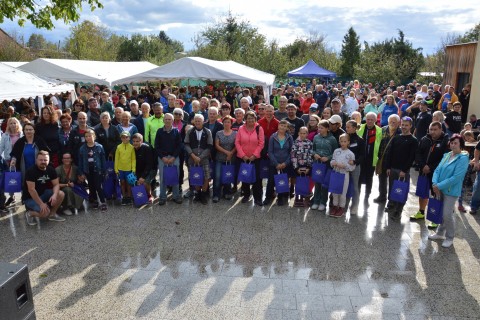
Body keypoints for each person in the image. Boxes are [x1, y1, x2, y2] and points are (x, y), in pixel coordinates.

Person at [428, 134, 469, 248]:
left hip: (451, 191)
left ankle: (450, 237)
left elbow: (456, 177)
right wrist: (435, 183)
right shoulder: (447, 155)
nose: (453, 145)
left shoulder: (463, 158)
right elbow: (437, 170)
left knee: (447, 214)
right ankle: (440, 233)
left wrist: (439, 186)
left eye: (456, 143)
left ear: (461, 144)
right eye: (451, 142)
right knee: (441, 212)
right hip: (439, 188)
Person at [411, 121, 450, 222]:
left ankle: (435, 217)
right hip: (423, 171)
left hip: (437, 174)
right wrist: (423, 165)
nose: (432, 132)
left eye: (435, 130)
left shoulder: (446, 141)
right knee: (422, 193)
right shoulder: (425, 139)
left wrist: (431, 167)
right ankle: (421, 212)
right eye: (431, 129)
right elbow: (418, 153)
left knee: (436, 195)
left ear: (441, 130)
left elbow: (445, 158)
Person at [385, 117, 418, 220]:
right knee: (392, 187)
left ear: (410, 126)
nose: (404, 127)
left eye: (406, 125)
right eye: (402, 124)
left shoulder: (413, 140)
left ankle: (398, 211)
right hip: (393, 168)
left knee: (401, 191)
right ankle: (391, 204)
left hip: (403, 171)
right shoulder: (396, 137)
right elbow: (390, 153)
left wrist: (404, 170)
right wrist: (388, 167)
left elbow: (411, 157)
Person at [23, 151, 66, 226]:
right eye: (41, 160)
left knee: (60, 194)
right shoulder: (31, 171)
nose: (43, 162)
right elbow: (31, 190)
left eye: (45, 160)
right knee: (45, 213)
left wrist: (55, 195)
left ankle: (52, 215)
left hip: (43, 193)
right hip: (30, 198)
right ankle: (30, 213)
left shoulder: (51, 169)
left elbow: (56, 184)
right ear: (36, 160)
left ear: (48, 160)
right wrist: (41, 204)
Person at [235, 111, 265, 206]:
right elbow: (237, 142)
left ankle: (257, 198)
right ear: (245, 119)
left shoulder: (259, 128)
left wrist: (254, 155)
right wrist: (243, 155)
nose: (250, 120)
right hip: (242, 158)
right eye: (248, 118)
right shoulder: (241, 128)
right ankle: (246, 195)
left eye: (252, 118)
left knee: (256, 179)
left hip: (255, 158)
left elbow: (261, 143)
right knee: (245, 177)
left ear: (255, 119)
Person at [184, 114, 213, 205]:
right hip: (192, 159)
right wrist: (192, 155)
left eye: (199, 121)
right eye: (196, 121)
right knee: (195, 176)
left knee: (205, 177)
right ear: (193, 121)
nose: (197, 122)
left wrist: (200, 157)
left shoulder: (207, 131)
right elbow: (186, 144)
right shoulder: (189, 131)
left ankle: (203, 194)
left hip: (204, 159)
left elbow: (209, 146)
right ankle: (198, 194)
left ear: (203, 122)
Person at [154, 113, 183, 205]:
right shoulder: (159, 131)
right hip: (162, 158)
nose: (167, 121)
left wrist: (174, 157)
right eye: (166, 119)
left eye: (169, 119)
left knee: (175, 177)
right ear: (163, 120)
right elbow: (156, 146)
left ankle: (176, 196)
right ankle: (162, 197)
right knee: (162, 178)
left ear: (172, 120)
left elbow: (179, 146)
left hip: (174, 158)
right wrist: (162, 158)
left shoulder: (176, 131)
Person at [311, 120, 338, 211]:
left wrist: (328, 157)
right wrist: (314, 154)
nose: (319, 129)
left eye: (322, 128)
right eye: (319, 127)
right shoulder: (316, 137)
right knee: (317, 183)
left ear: (327, 128)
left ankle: (323, 202)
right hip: (317, 163)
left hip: (327, 164)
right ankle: (316, 201)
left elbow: (336, 152)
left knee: (324, 184)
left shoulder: (332, 139)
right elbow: (313, 149)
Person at [265, 120, 294, 206]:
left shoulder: (289, 137)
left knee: (283, 181)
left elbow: (291, 152)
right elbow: (270, 152)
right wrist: (276, 163)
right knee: (270, 181)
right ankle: (268, 197)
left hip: (285, 163)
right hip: (274, 164)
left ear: (287, 128)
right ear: (278, 126)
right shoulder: (273, 137)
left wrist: (285, 163)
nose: (282, 127)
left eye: (285, 126)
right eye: (281, 125)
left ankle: (281, 197)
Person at [374, 114, 401, 203]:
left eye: (394, 122)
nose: (392, 123)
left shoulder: (400, 132)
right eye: (390, 122)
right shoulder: (383, 129)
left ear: (398, 123)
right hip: (382, 159)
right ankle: (382, 196)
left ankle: (391, 201)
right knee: (382, 179)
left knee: (393, 181)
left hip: (394, 161)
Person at [78, 129, 107, 211]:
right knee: (91, 186)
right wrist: (81, 172)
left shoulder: (99, 147)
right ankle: (95, 201)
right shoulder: (82, 148)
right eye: (86, 136)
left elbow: (102, 159)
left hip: (97, 169)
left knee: (98, 186)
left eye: (90, 136)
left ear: (94, 136)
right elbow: (80, 161)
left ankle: (102, 201)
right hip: (88, 170)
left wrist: (104, 170)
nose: (88, 138)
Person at [329, 133, 356, 217]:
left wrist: (345, 166)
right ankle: (334, 206)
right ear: (339, 142)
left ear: (348, 142)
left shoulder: (350, 154)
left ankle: (341, 208)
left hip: (344, 175)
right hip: (336, 173)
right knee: (334, 191)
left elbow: (352, 167)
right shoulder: (336, 151)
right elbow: (332, 160)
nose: (343, 143)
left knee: (343, 192)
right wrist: (333, 163)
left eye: (345, 141)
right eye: (341, 141)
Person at [358, 112, 382, 200]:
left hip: (372, 158)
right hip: (361, 158)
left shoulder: (379, 130)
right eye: (368, 119)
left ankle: (367, 196)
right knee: (359, 178)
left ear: (375, 120)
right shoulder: (360, 128)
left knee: (369, 178)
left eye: (372, 120)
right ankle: (357, 196)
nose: (370, 121)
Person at [213, 115, 237, 202]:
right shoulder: (219, 133)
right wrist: (227, 152)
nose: (227, 123)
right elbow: (216, 145)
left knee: (228, 175)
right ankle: (216, 194)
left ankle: (227, 193)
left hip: (231, 158)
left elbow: (236, 145)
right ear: (222, 123)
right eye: (225, 122)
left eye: (228, 122)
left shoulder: (235, 133)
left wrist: (231, 153)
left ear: (231, 123)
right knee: (218, 176)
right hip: (220, 158)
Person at [0, 117, 23, 208]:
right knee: (11, 178)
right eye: (11, 123)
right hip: (8, 160)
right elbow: (1, 147)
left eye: (15, 123)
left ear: (18, 124)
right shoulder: (5, 135)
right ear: (8, 125)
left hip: (20, 160)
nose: (13, 125)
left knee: (21, 178)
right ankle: (12, 196)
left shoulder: (21, 134)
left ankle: (23, 196)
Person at [345, 120, 365, 215]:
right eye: (346, 127)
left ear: (354, 128)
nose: (347, 128)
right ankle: (344, 205)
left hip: (355, 166)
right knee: (345, 185)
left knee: (355, 186)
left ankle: (355, 206)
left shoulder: (360, 140)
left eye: (348, 127)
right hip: (344, 166)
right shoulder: (344, 138)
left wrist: (355, 162)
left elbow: (362, 155)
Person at [290, 126, 314, 207]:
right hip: (298, 166)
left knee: (305, 181)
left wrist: (309, 167)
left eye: (304, 133)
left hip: (306, 166)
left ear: (307, 134)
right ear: (298, 133)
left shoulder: (310, 143)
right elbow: (293, 155)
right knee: (298, 181)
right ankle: (297, 197)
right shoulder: (295, 143)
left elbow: (311, 155)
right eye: (301, 133)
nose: (303, 135)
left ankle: (303, 196)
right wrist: (296, 167)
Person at [132, 133, 155, 204]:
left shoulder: (147, 148)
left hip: (150, 169)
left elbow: (149, 164)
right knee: (136, 182)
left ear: (141, 141)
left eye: (137, 141)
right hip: (138, 170)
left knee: (144, 182)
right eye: (134, 141)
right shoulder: (132, 149)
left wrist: (142, 177)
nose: (135, 143)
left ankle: (149, 195)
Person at [115, 131, 136, 206]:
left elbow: (133, 159)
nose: (125, 138)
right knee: (122, 183)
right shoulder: (118, 147)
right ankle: (124, 196)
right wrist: (116, 169)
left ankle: (129, 197)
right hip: (120, 169)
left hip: (129, 169)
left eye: (126, 137)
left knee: (129, 183)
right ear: (121, 138)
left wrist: (133, 169)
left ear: (129, 138)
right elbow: (116, 158)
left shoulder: (132, 147)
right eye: (123, 137)